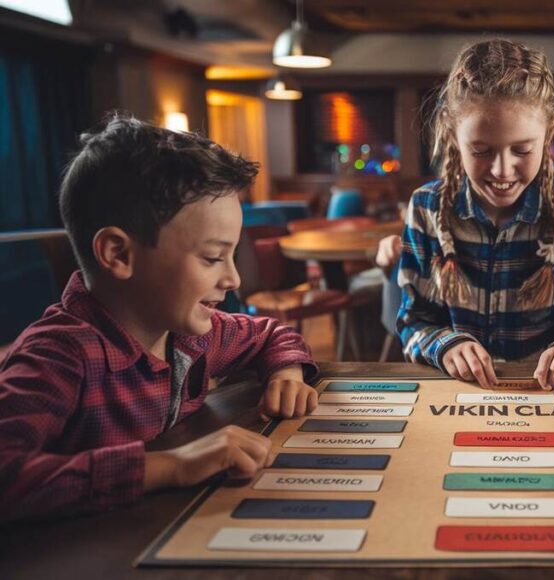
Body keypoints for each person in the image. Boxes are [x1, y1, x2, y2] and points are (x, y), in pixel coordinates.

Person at [0, 115, 319, 522]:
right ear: (119, 254)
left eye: (232, 256)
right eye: (211, 258)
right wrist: (174, 465)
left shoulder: (191, 334)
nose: (233, 278)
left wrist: (287, 374)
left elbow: (270, 333)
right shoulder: (58, 355)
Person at [397, 39, 554, 390]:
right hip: (458, 394)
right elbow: (411, 322)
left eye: (522, 149)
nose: (502, 170)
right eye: (480, 150)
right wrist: (444, 344)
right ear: (452, 133)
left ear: (549, 133)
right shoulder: (425, 209)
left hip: (551, 396)